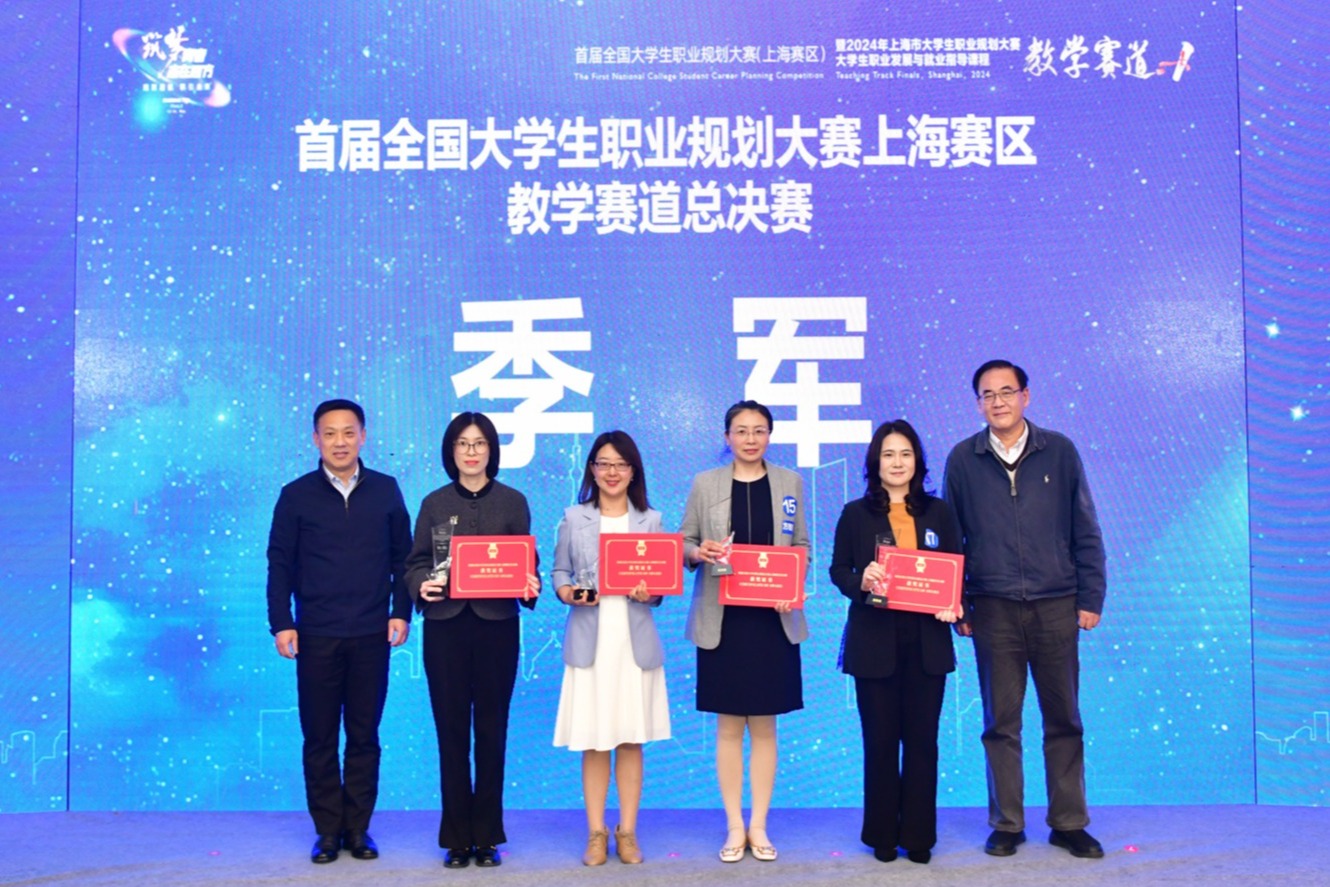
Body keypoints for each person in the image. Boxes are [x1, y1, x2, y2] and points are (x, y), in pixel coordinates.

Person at [944, 360, 1107, 859]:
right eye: (987, 395)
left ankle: (1069, 822)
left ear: (1026, 396)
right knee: (1000, 723)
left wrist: (1090, 596)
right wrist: (959, 602)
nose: (998, 402)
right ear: (978, 404)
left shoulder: (1059, 450)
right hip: (992, 608)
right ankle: (1007, 823)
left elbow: (1084, 526)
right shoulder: (963, 458)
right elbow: (952, 539)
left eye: (1007, 391)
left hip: (1056, 604)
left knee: (1064, 719)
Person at [266, 398, 412, 864]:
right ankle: (328, 831)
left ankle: (358, 829)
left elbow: (403, 557)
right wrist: (282, 622)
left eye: (349, 432)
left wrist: (401, 611)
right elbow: (279, 563)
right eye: (329, 433)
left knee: (365, 736)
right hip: (316, 634)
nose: (340, 442)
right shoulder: (296, 495)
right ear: (316, 439)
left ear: (363, 436)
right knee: (320, 736)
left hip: (372, 632)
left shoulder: (386, 489)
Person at [403, 412, 541, 869]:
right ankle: (456, 838)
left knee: (492, 731)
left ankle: (487, 836)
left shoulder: (513, 502)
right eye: (462, 443)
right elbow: (415, 562)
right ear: (451, 451)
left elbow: (528, 564)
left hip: (497, 626)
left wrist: (531, 585)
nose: (471, 451)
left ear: (491, 450)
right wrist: (421, 584)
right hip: (445, 626)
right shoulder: (434, 502)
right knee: (451, 731)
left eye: (479, 443)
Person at [830, 419, 963, 865]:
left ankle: (919, 836)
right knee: (881, 743)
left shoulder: (939, 512)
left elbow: (956, 568)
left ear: (918, 461)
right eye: (888, 454)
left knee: (923, 744)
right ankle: (883, 834)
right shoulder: (855, 513)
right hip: (874, 642)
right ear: (875, 463)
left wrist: (953, 603)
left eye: (905, 454)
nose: (897, 462)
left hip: (927, 642)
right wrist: (861, 581)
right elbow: (838, 570)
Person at [681, 400, 807, 863]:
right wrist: (699, 553)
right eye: (741, 430)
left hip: (772, 620)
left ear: (770, 435)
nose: (750, 439)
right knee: (729, 727)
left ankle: (759, 825)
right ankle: (735, 824)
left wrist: (792, 587)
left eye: (758, 430)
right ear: (727, 437)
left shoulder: (790, 483)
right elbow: (684, 543)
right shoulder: (705, 483)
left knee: (766, 727)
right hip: (724, 621)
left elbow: (801, 546)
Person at [552, 431, 671, 866]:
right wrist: (568, 593)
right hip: (591, 642)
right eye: (603, 463)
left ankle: (628, 831)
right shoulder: (574, 517)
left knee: (631, 740)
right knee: (594, 741)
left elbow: (660, 586)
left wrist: (650, 592)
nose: (612, 472)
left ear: (633, 471)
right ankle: (596, 832)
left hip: (633, 643)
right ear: (592, 469)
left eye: (621, 464)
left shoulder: (651, 520)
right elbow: (560, 571)